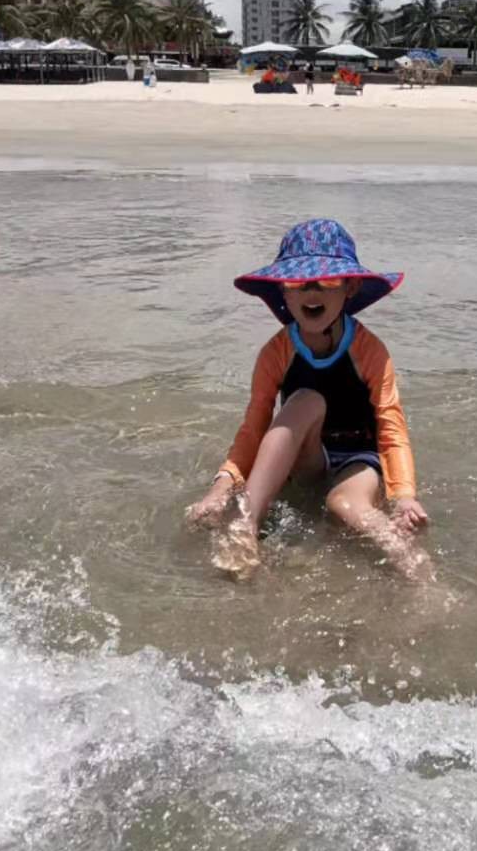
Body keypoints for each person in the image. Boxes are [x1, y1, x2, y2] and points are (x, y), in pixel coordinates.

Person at [186, 219, 433, 582]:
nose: (311, 292)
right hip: (307, 459)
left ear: (349, 288)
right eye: (297, 283)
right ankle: (245, 525)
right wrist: (221, 486)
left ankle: (419, 571)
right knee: (304, 401)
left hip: (358, 460)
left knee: (344, 505)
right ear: (283, 292)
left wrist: (404, 496)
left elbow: (391, 424)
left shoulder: (370, 351)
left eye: (327, 281)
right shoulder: (275, 353)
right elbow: (254, 427)